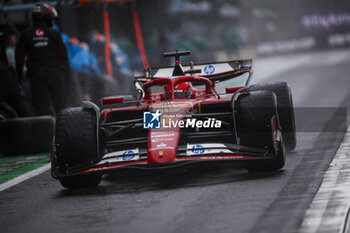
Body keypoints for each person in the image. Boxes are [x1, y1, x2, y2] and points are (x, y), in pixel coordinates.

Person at [15, 3, 69, 116]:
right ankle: (63, 132)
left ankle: (45, 132)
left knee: (42, 111)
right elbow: (64, 58)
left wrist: (20, 77)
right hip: (55, 77)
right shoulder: (55, 34)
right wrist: (67, 77)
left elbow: (19, 57)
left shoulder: (26, 35)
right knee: (62, 110)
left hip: (36, 78)